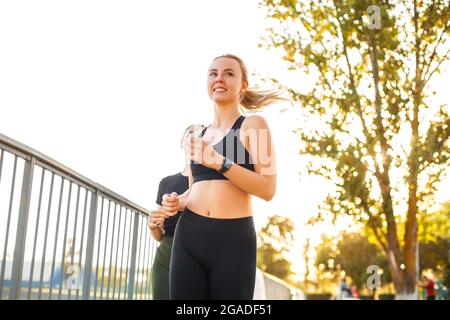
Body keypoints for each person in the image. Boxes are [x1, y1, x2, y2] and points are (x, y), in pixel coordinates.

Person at [162, 54, 283, 299]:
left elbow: (268, 188)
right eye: (213, 73)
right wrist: (178, 201)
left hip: (233, 240)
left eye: (229, 73)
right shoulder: (197, 134)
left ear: (243, 85)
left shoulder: (253, 125)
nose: (219, 79)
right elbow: (194, 188)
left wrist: (219, 162)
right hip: (189, 236)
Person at [147, 124, 204, 300]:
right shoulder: (166, 183)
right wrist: (153, 226)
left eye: (201, 133)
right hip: (166, 253)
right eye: (190, 132)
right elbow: (159, 234)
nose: (195, 136)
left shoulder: (210, 183)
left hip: (199, 253)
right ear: (182, 141)